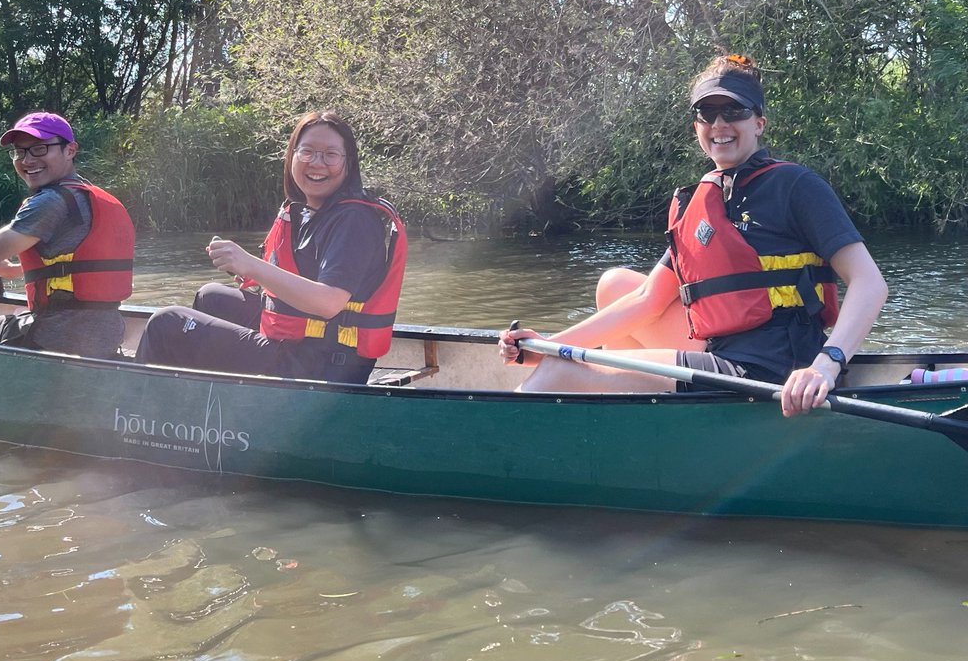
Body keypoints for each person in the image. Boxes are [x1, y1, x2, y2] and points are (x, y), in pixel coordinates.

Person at [500, 54, 888, 416]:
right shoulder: (699, 201)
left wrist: (826, 366)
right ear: (696, 126)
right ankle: (632, 418)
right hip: (724, 350)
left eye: (733, 111)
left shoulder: (795, 185)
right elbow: (647, 299)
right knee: (615, 286)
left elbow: (870, 283)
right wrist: (550, 346)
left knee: (558, 376)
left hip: (774, 367)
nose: (719, 124)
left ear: (758, 123)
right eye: (707, 112)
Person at [136, 111, 407, 384]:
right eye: (308, 152)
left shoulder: (354, 220)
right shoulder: (312, 212)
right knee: (211, 296)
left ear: (348, 164)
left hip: (322, 364)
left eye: (331, 155)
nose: (317, 163)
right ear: (292, 156)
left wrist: (251, 264)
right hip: (311, 347)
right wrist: (255, 273)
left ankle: (140, 410)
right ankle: (214, 400)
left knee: (165, 323)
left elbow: (328, 303)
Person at [0, 112, 135, 359]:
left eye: (40, 149)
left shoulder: (50, 201)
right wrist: (14, 269)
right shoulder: (88, 196)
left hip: (56, 336)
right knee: (16, 312)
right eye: (19, 152)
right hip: (104, 335)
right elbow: (79, 262)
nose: (27, 160)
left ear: (70, 150)